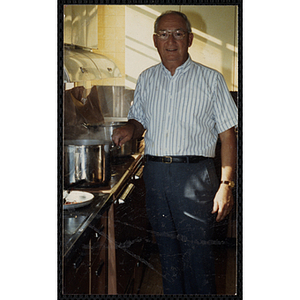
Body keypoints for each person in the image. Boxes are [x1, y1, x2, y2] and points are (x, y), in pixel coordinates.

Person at [112, 10, 238, 294]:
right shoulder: (146, 79)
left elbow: (228, 136)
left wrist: (226, 185)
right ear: (155, 40)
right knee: (167, 256)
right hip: (156, 176)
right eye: (164, 34)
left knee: (198, 258)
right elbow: (140, 119)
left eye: (178, 33)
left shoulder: (211, 80)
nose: (171, 40)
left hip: (195, 176)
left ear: (190, 39)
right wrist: (130, 129)